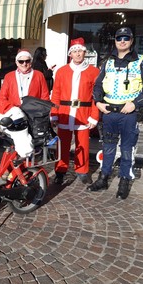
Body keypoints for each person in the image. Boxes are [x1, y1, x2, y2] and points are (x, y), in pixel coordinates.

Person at [88, 27, 143, 199]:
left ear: (132, 40)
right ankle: (104, 178)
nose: (122, 41)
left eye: (126, 38)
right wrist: (98, 102)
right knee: (108, 147)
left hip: (129, 114)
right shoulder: (107, 62)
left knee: (127, 149)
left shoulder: (141, 61)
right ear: (115, 41)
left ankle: (124, 181)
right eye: (119, 38)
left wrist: (135, 104)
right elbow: (98, 85)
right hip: (109, 113)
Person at [50, 38, 99, 185]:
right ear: (70, 54)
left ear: (85, 52)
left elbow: (96, 97)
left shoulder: (94, 72)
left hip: (84, 112)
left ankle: (82, 171)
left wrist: (94, 116)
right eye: (75, 51)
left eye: (80, 51)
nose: (78, 54)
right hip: (65, 112)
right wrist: (54, 114)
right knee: (62, 144)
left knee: (83, 144)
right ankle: (60, 170)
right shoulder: (62, 71)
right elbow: (56, 94)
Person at [0, 49, 50, 158]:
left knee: (32, 143)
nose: (24, 64)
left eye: (27, 61)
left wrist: (42, 113)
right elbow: (2, 97)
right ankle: (10, 168)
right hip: (15, 116)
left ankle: (29, 170)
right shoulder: (9, 76)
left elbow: (44, 97)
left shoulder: (39, 75)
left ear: (31, 61)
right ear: (16, 63)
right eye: (21, 61)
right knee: (12, 143)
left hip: (33, 116)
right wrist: (13, 110)